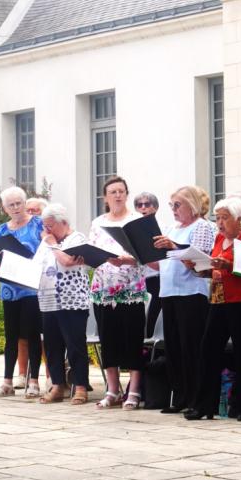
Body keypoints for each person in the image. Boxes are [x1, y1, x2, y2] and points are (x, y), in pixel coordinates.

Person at [184, 197, 241, 421]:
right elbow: (213, 269)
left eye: (225, 218)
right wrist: (199, 267)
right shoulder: (219, 238)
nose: (220, 223)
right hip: (218, 300)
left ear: (239, 219)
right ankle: (203, 406)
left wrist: (227, 265)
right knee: (208, 350)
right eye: (217, 218)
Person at [153, 186, 215, 413]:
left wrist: (174, 246)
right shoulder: (172, 228)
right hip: (169, 292)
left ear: (193, 205)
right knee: (174, 349)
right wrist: (143, 254)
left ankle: (195, 399)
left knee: (192, 348)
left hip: (191, 293)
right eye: (172, 205)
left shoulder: (203, 226)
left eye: (177, 205)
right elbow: (162, 263)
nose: (174, 210)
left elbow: (200, 258)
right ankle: (180, 396)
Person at [89, 176, 148, 410]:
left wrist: (127, 260)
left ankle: (133, 391)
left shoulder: (136, 221)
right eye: (112, 191)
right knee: (108, 340)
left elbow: (146, 256)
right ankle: (112, 389)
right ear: (106, 197)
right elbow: (93, 252)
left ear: (127, 194)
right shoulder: (98, 222)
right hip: (103, 290)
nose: (117, 195)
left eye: (121, 191)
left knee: (132, 339)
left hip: (130, 290)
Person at [0, 186, 44, 399]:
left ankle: (34, 381)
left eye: (19, 203)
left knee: (32, 334)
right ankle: (7, 382)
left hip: (30, 287)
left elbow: (45, 251)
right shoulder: (1, 231)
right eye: (11, 205)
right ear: (5, 208)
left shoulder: (38, 223)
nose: (16, 208)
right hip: (10, 289)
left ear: (24, 202)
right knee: (11, 336)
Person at [35, 204, 92, 405]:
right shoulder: (47, 241)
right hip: (48, 301)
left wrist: (51, 243)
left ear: (64, 222)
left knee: (75, 345)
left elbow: (67, 261)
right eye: (45, 227)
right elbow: (36, 265)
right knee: (52, 346)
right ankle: (57, 385)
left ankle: (81, 387)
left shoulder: (77, 239)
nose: (47, 230)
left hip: (72, 301)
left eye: (50, 226)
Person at [13, 198, 48, 389]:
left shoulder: (47, 230)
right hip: (22, 288)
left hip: (45, 288)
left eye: (36, 210)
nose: (32, 213)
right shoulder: (19, 229)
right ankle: (21, 374)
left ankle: (52, 376)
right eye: (30, 210)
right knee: (23, 334)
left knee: (45, 335)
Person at [133, 191, 162, 338]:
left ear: (155, 207)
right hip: (139, 281)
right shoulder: (132, 230)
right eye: (139, 205)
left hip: (157, 279)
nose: (143, 208)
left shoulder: (161, 228)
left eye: (147, 204)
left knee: (153, 318)